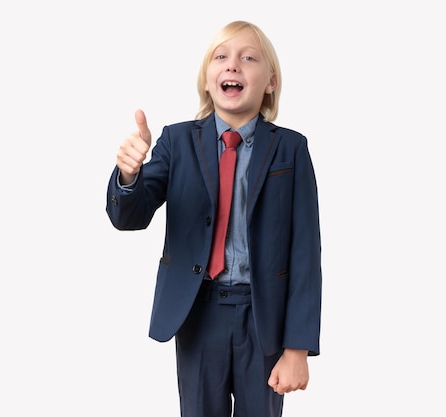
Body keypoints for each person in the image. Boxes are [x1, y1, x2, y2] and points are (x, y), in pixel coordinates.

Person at [105, 20, 322, 417]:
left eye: (248, 58)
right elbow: (130, 217)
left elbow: (305, 252)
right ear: (207, 81)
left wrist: (298, 348)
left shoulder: (291, 148)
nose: (233, 65)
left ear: (270, 81)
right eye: (221, 57)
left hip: (264, 320)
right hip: (197, 313)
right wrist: (129, 176)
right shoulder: (177, 141)